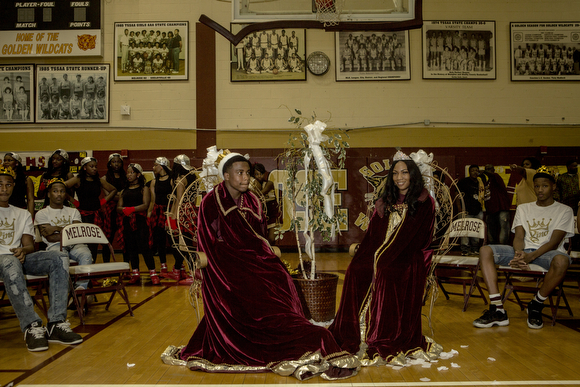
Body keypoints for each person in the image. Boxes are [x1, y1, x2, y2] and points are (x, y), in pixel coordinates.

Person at [161, 153, 360, 380]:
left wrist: (264, 255)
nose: (246, 178)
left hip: (256, 261)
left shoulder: (254, 201)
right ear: (226, 176)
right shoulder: (211, 201)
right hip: (225, 268)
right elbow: (207, 241)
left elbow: (259, 238)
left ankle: (290, 326)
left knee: (281, 276)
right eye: (240, 173)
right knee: (253, 290)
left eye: (247, 172)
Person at [328, 150, 441, 366]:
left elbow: (415, 237)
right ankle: (353, 332)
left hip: (409, 256)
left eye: (404, 172)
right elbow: (373, 236)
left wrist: (383, 259)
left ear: (413, 175)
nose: (399, 177)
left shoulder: (424, 200)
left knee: (387, 273)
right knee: (355, 270)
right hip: (380, 252)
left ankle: (381, 335)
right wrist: (367, 256)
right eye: (395, 173)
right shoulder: (385, 201)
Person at [473, 167, 574, 329]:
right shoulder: (523, 208)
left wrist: (530, 257)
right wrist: (520, 254)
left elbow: (554, 242)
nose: (540, 190)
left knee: (562, 261)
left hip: (548, 254)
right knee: (486, 250)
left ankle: (536, 304)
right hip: (523, 251)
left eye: (545, 186)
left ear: (553, 187)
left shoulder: (564, 210)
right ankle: (497, 308)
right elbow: (519, 236)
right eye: (537, 186)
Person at [0, 166, 83, 351]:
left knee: (60, 258)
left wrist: (23, 250)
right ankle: (31, 326)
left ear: (13, 186)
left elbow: (29, 245)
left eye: (8, 185)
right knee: (9, 261)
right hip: (4, 260)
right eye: (0, 185)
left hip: (18, 257)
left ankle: (56, 323)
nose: (4, 189)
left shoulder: (22, 214)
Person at [35, 178, 93, 292]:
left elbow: (77, 233)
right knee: (61, 258)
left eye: (62, 191)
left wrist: (56, 228)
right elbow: (50, 238)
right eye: (55, 191)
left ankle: (80, 289)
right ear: (48, 194)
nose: (59, 194)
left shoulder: (73, 211)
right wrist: (69, 230)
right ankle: (65, 291)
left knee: (86, 255)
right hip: (55, 245)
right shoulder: (42, 213)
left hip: (76, 244)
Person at [65, 157, 117, 262]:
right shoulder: (78, 179)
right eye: (91, 166)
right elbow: (62, 186)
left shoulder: (99, 181)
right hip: (82, 215)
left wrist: (103, 201)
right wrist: (73, 201)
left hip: (96, 215)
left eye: (95, 167)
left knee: (94, 243)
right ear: (84, 168)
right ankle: (83, 266)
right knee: (83, 242)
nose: (94, 169)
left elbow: (113, 190)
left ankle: (92, 268)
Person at [117, 163, 159, 285]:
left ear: (138, 174)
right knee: (131, 248)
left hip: (140, 221)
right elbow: (118, 207)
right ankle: (135, 273)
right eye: (128, 172)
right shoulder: (124, 190)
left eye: (131, 172)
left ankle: (153, 273)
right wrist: (124, 210)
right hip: (127, 221)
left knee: (145, 248)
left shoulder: (143, 188)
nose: (129, 175)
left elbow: (145, 205)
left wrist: (132, 209)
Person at [165, 154, 194, 282]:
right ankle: (181, 270)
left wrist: (173, 218)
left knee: (184, 245)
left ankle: (192, 273)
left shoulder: (180, 179)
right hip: (191, 210)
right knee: (187, 244)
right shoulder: (192, 176)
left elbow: (179, 199)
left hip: (183, 211)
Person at [148, 156, 173, 274]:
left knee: (173, 240)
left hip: (169, 212)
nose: (153, 168)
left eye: (155, 165)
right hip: (158, 213)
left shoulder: (172, 180)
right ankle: (163, 264)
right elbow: (153, 200)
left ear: (161, 166)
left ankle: (180, 265)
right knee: (159, 240)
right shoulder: (154, 182)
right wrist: (149, 214)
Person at [101, 153, 127, 263]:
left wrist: (119, 196)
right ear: (109, 163)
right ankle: (106, 264)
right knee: (108, 238)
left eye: (118, 162)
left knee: (126, 239)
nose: (116, 164)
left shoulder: (126, 177)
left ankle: (127, 265)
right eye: (114, 162)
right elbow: (109, 196)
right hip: (110, 211)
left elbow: (128, 194)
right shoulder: (105, 178)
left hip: (123, 210)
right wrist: (122, 195)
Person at [457, 165, 486, 256]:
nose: (475, 172)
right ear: (469, 172)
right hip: (466, 210)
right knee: (465, 230)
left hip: (478, 210)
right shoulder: (463, 181)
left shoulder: (480, 182)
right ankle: (465, 249)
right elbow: (457, 195)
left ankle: (475, 248)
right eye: (473, 170)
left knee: (476, 230)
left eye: (476, 170)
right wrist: (459, 208)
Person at [250, 163, 279, 244]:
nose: (259, 176)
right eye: (256, 174)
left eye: (261, 174)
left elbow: (260, 194)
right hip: (261, 215)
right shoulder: (253, 184)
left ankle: (272, 254)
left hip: (272, 214)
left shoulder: (269, 184)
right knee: (261, 239)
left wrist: (248, 190)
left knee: (271, 239)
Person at [482, 164, 511, 245]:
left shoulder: (496, 177)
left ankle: (503, 246)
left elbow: (491, 174)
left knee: (503, 227)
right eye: (487, 169)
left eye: (490, 169)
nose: (488, 170)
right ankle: (493, 246)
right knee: (491, 229)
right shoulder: (487, 182)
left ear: (493, 170)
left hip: (501, 207)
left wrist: (483, 172)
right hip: (491, 209)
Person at [3, 152, 35, 218]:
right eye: (5, 160)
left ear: (17, 163)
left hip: (20, 210)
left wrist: (31, 218)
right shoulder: (2, 178)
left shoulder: (26, 179)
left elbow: (30, 200)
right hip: (3, 211)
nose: (6, 163)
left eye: (9, 160)